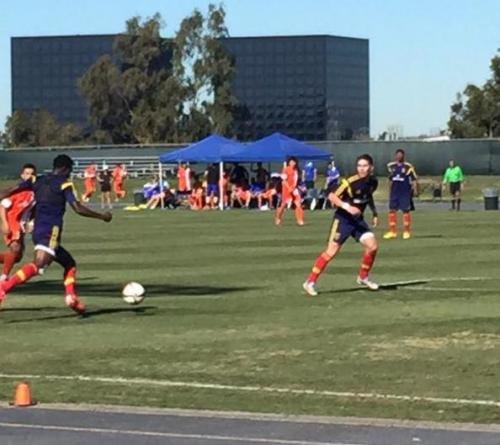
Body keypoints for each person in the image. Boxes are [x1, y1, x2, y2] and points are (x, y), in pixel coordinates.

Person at [0, 155, 112, 313]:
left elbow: (12, 189)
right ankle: (4, 287)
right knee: (38, 265)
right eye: (70, 170)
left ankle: (71, 298)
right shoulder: (65, 183)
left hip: (38, 230)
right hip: (50, 231)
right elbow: (78, 208)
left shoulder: (37, 180)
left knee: (69, 264)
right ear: (66, 168)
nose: (70, 173)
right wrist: (102, 216)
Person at [303, 154, 379, 296]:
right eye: (359, 166)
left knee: (373, 246)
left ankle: (363, 277)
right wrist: (347, 207)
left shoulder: (373, 182)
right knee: (331, 251)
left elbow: (367, 198)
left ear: (371, 167)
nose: (362, 169)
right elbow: (331, 196)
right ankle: (310, 282)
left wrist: (374, 213)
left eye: (365, 166)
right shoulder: (349, 182)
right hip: (343, 220)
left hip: (357, 220)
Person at [0, 164, 37, 281]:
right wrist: (5, 224)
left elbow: (34, 209)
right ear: (22, 175)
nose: (30, 176)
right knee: (15, 248)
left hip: (21, 225)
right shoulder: (18, 191)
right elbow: (3, 206)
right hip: (12, 222)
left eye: (32, 174)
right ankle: (4, 277)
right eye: (27, 173)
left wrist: (31, 222)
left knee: (16, 257)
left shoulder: (36, 191)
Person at [384, 149, 418, 240]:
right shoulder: (391, 166)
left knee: (405, 211)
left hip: (404, 192)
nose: (399, 156)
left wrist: (415, 189)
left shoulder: (408, 167)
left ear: (403, 156)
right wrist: (389, 190)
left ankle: (406, 232)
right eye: (398, 155)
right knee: (392, 210)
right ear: (395, 156)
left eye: (401, 155)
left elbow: (414, 179)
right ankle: (392, 232)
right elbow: (390, 179)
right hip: (394, 192)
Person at [275, 157, 304, 226]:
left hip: (294, 189)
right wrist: (289, 188)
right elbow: (284, 181)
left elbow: (296, 180)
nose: (292, 163)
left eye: (294, 162)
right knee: (283, 205)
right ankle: (278, 218)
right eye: (291, 162)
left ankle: (300, 220)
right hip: (286, 190)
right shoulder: (286, 169)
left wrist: (295, 187)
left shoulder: (296, 170)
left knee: (298, 203)